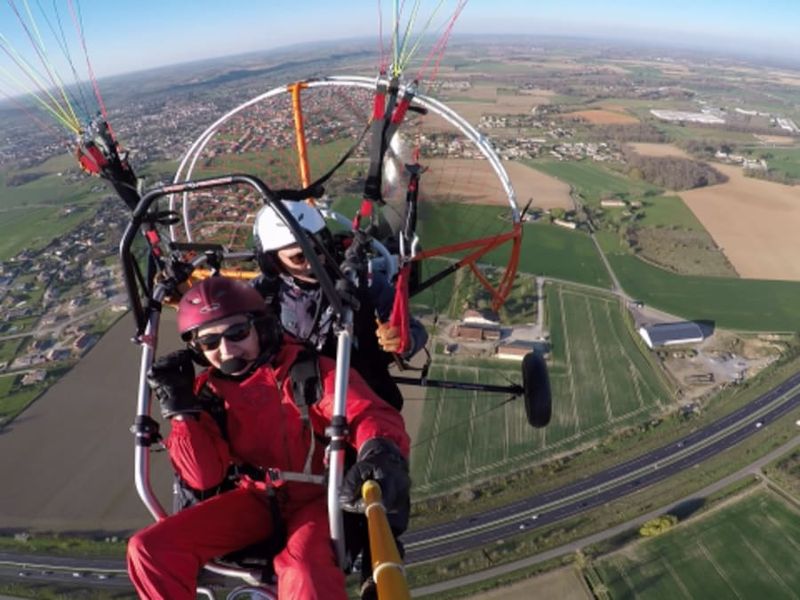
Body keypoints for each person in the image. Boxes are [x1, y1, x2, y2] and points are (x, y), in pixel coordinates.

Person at [126, 276, 411, 600]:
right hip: (255, 498)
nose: (226, 349)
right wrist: (181, 412)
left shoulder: (307, 373)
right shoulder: (208, 393)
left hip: (316, 496)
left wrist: (379, 448)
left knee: (302, 569)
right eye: (209, 343)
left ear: (261, 328)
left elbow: (368, 413)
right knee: (150, 550)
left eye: (237, 333)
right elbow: (203, 476)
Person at [252, 201, 427, 411]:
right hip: (295, 409)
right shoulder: (262, 294)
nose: (313, 260)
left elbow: (416, 331)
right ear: (272, 261)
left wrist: (404, 339)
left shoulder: (361, 282)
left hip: (361, 403)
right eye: (299, 257)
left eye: (318, 248)